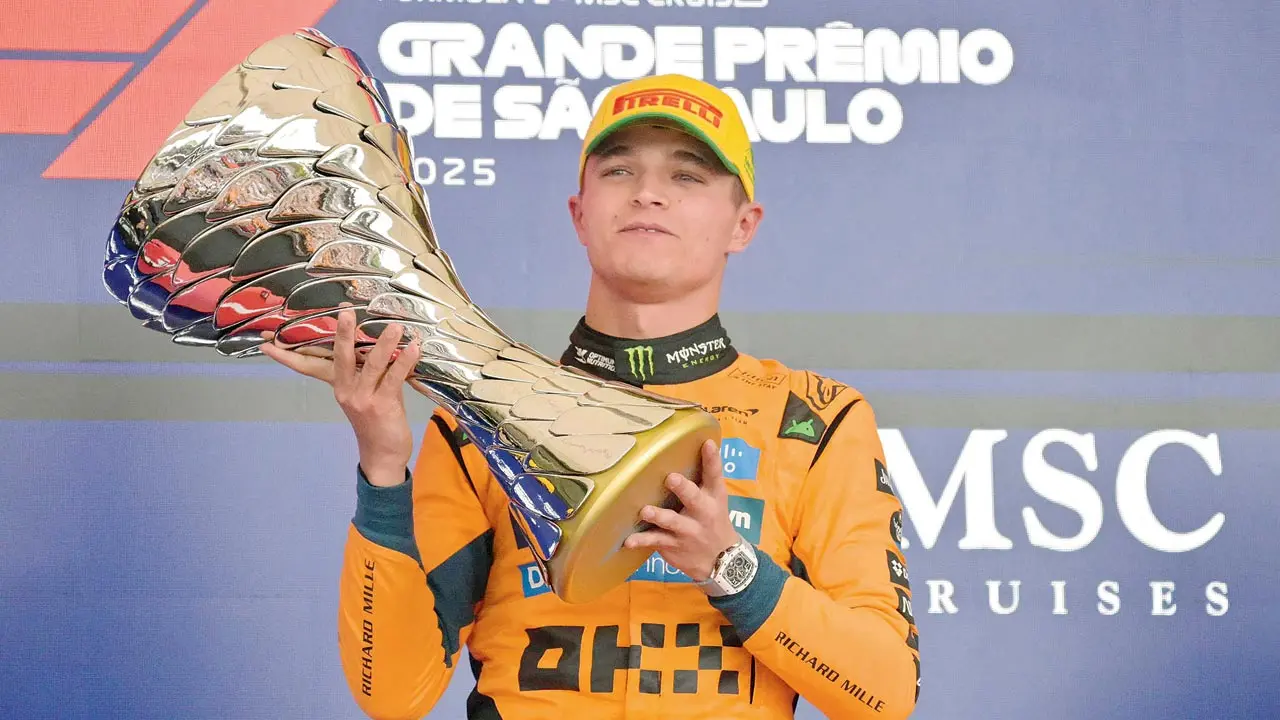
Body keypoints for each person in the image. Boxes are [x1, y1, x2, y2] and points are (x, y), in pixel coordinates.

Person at [261, 73, 921, 719]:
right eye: (619, 171)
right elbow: (392, 692)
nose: (647, 195)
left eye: (687, 175)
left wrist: (730, 567)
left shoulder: (813, 420)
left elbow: (884, 694)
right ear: (580, 215)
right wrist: (381, 467)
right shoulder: (481, 415)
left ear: (742, 225)